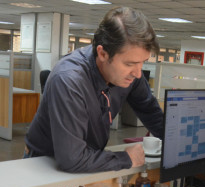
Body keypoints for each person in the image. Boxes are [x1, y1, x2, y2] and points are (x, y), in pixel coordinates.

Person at [24, 7, 163, 173]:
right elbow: (72, 158)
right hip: (45, 164)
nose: (138, 73)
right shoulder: (69, 80)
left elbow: (152, 113)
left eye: (143, 62)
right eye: (130, 64)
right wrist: (126, 158)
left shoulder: (130, 75)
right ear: (103, 53)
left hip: (86, 162)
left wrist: (179, 147)